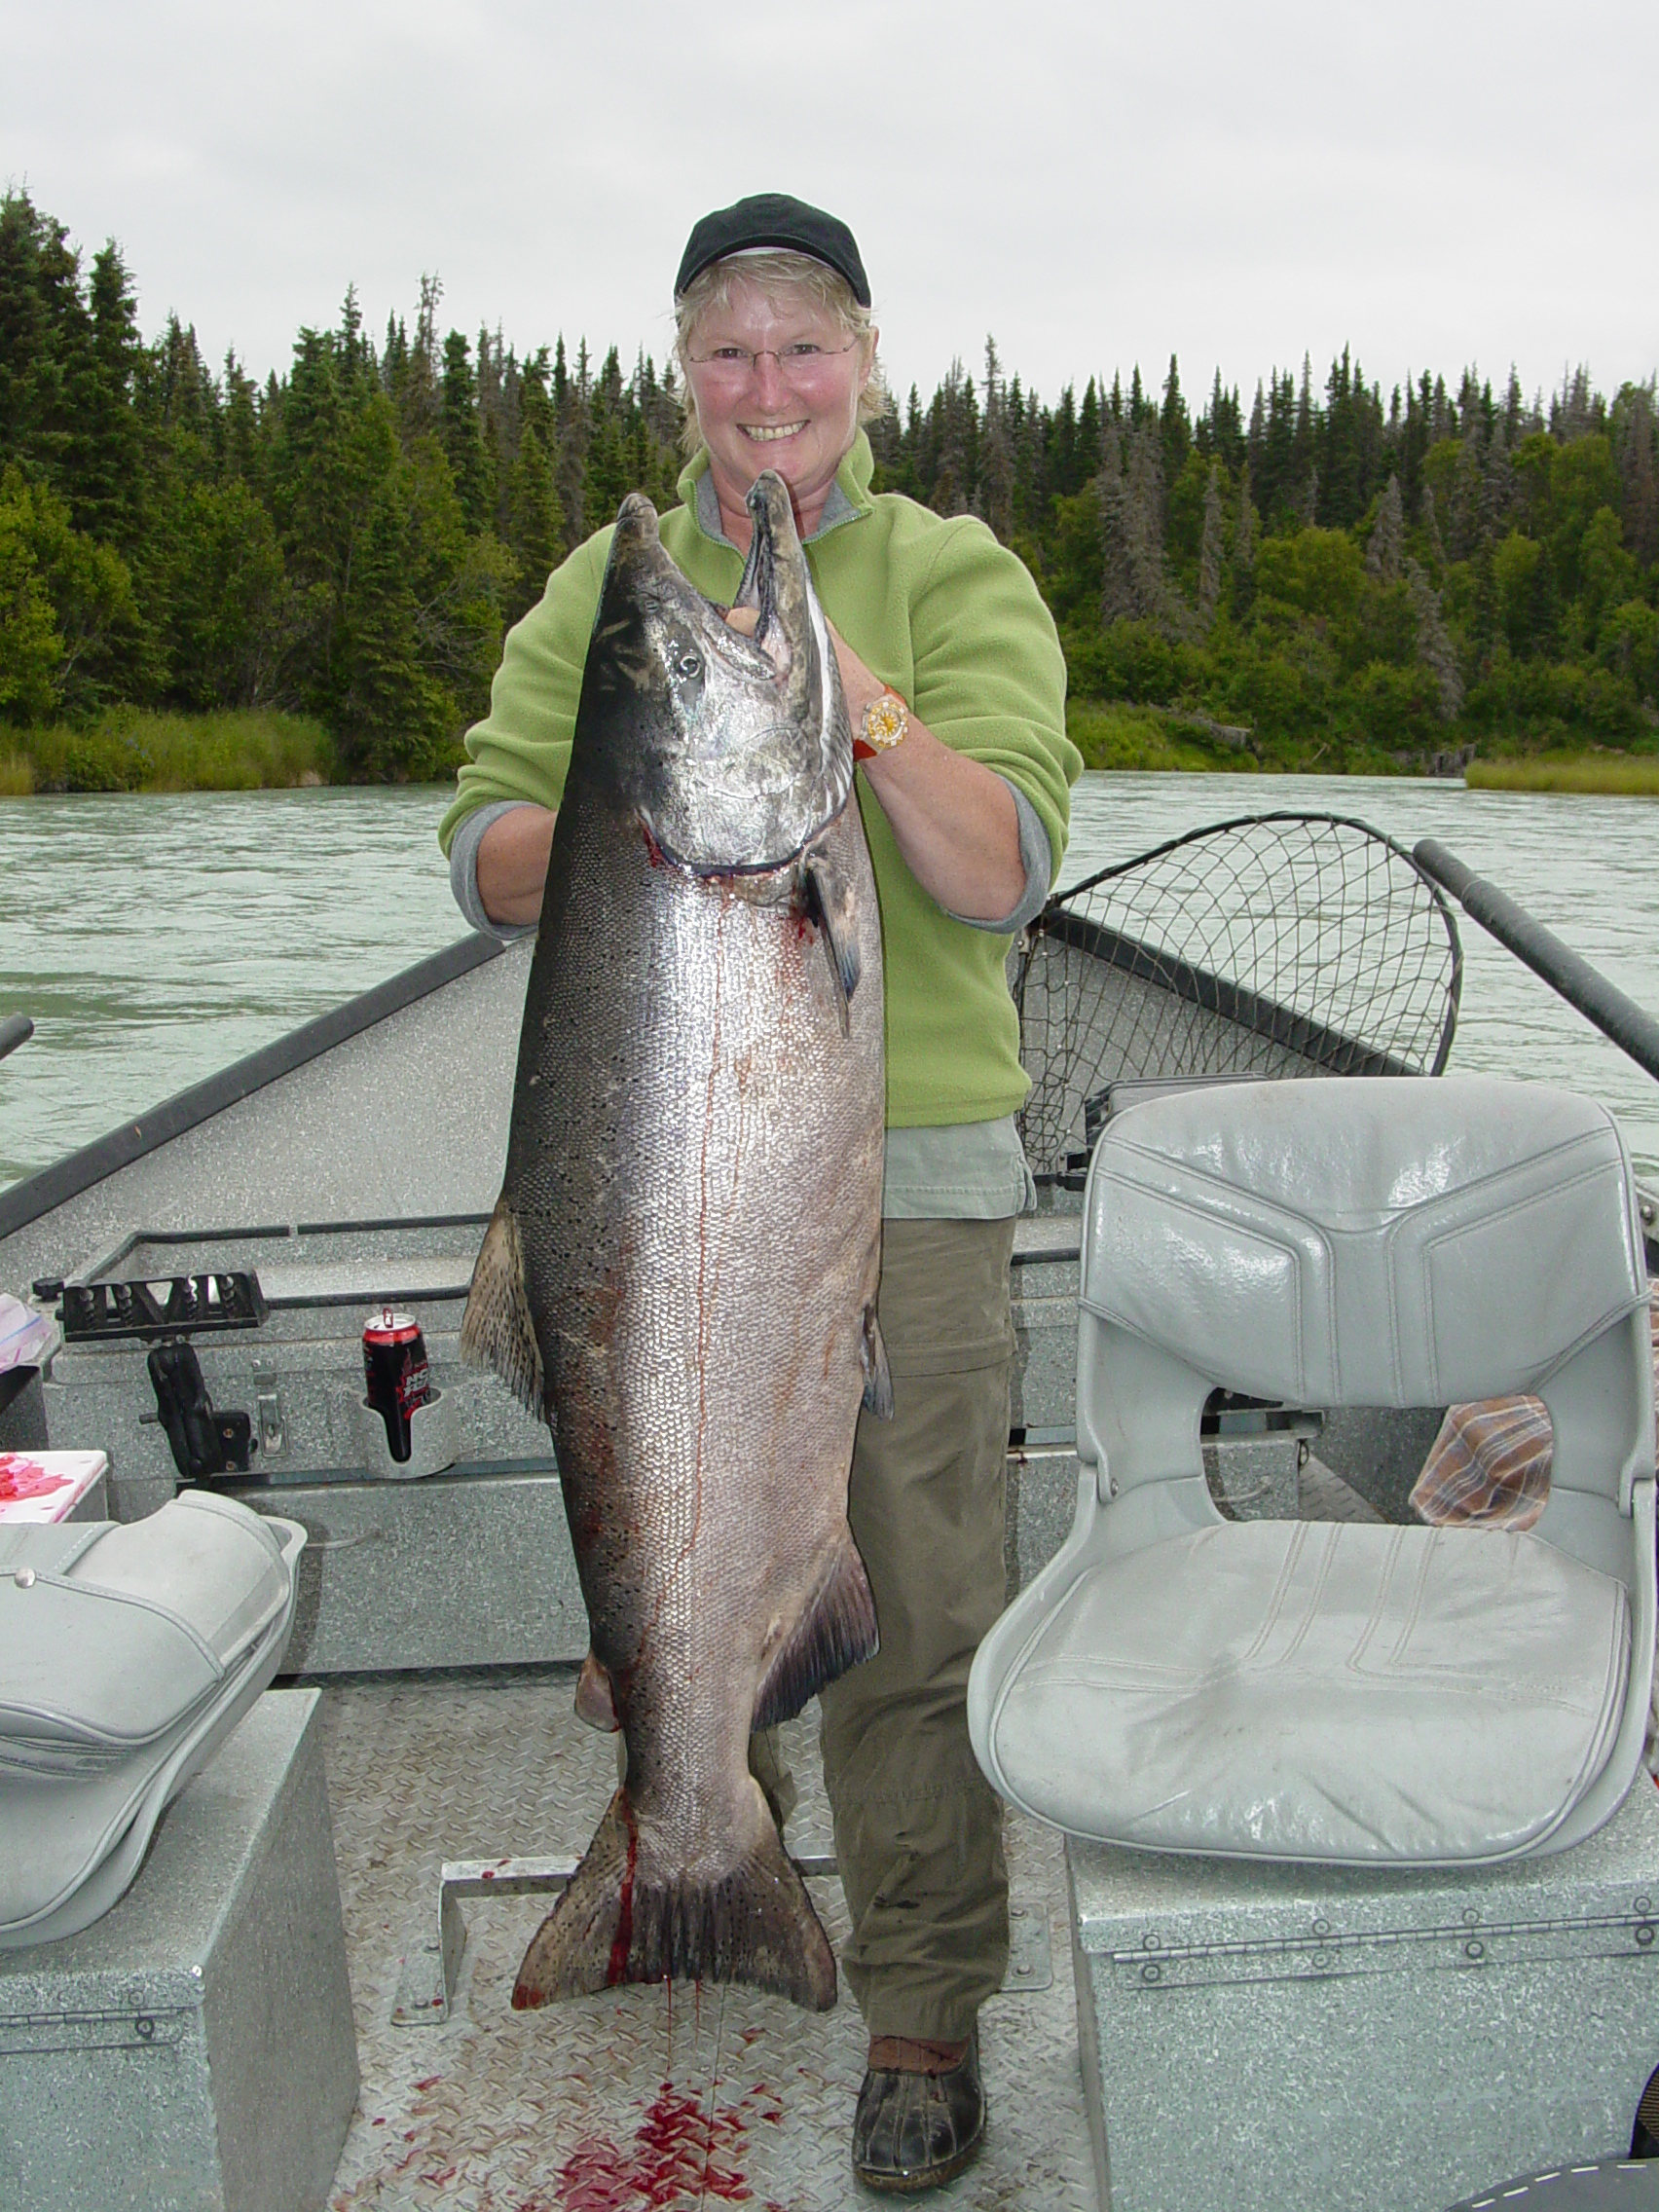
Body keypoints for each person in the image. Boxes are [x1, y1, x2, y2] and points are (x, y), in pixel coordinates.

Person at [438, 193, 1081, 2193]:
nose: (768, 387)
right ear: (685, 372)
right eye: (729, 349)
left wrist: (846, 698)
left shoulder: (957, 572)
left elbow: (996, 866)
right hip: (638, 1195)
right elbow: (479, 842)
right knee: (687, 1548)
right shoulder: (607, 590)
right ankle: (694, 1835)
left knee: (920, 1618)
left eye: (806, 347)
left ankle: (915, 2013)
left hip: (921, 1185)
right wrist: (643, 803)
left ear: (865, 367)